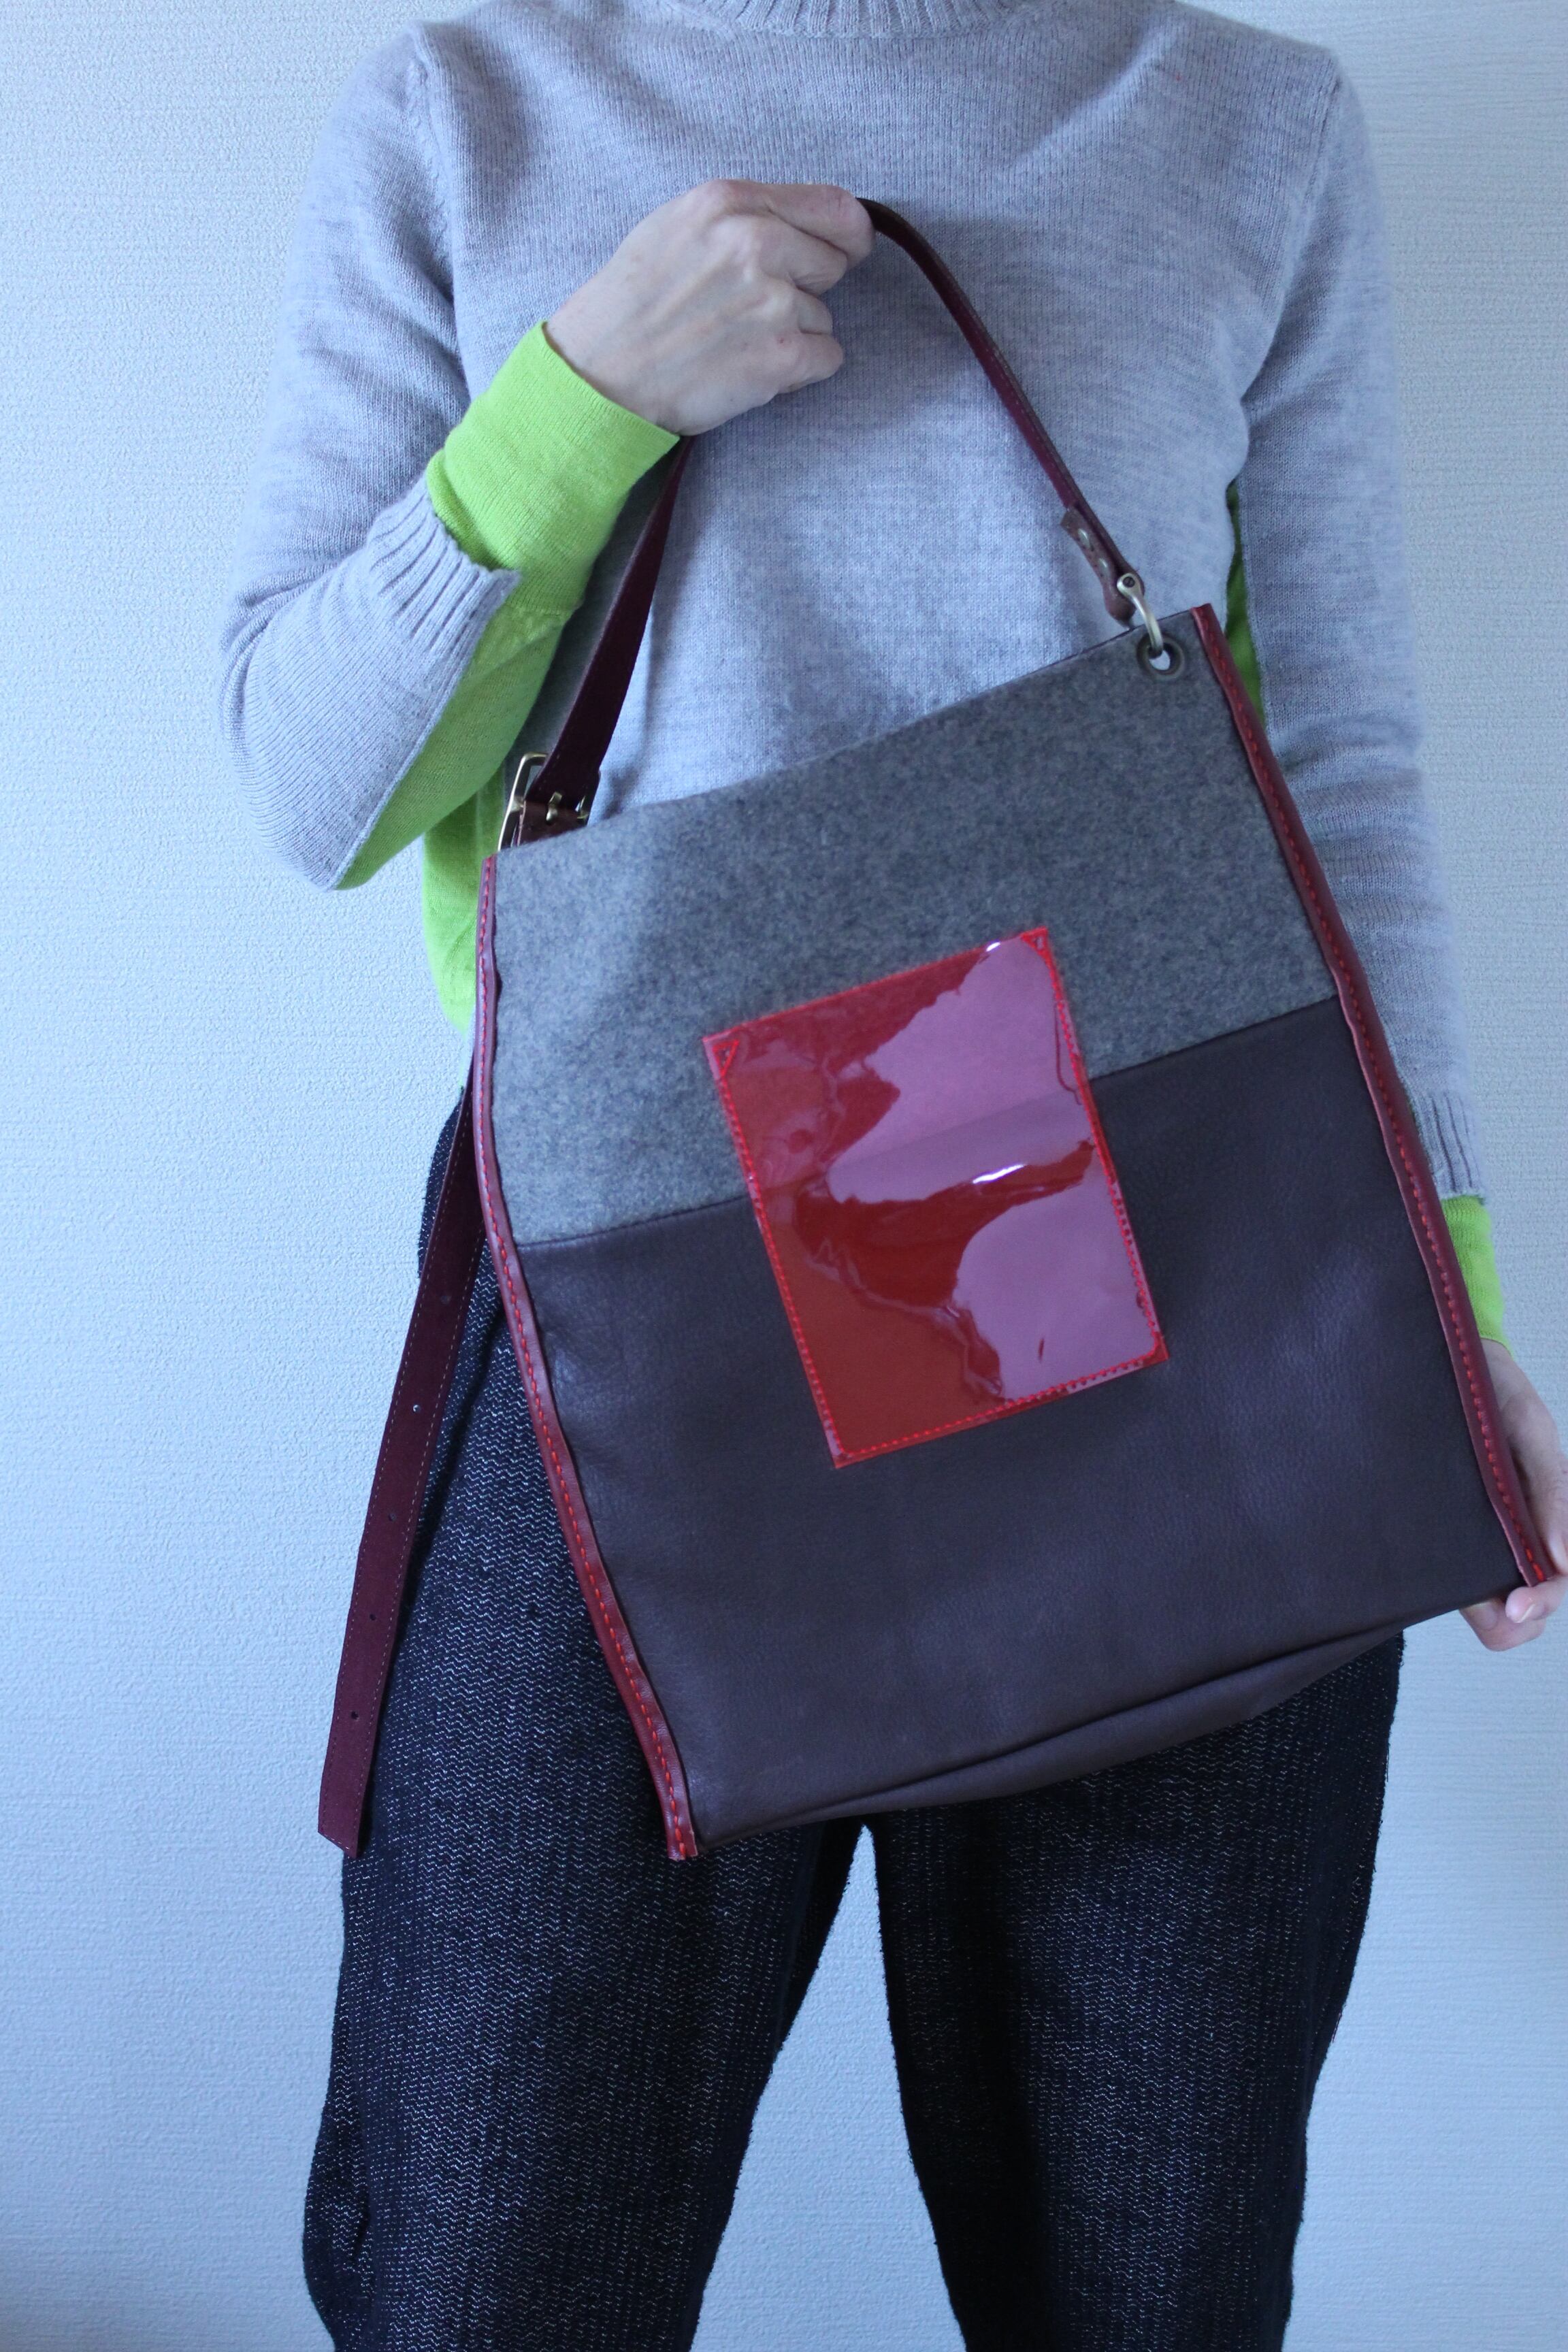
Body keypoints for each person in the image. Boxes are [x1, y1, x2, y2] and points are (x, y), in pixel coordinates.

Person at [219, 1, 1567, 2344]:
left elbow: (1335, 760)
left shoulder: (1239, 120)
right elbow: (308, 782)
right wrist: (583, 397)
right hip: (638, 1298)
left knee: (1150, 2279)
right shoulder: (477, 108)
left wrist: (1447, 1301)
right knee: (487, 2265)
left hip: (1189, 1272)